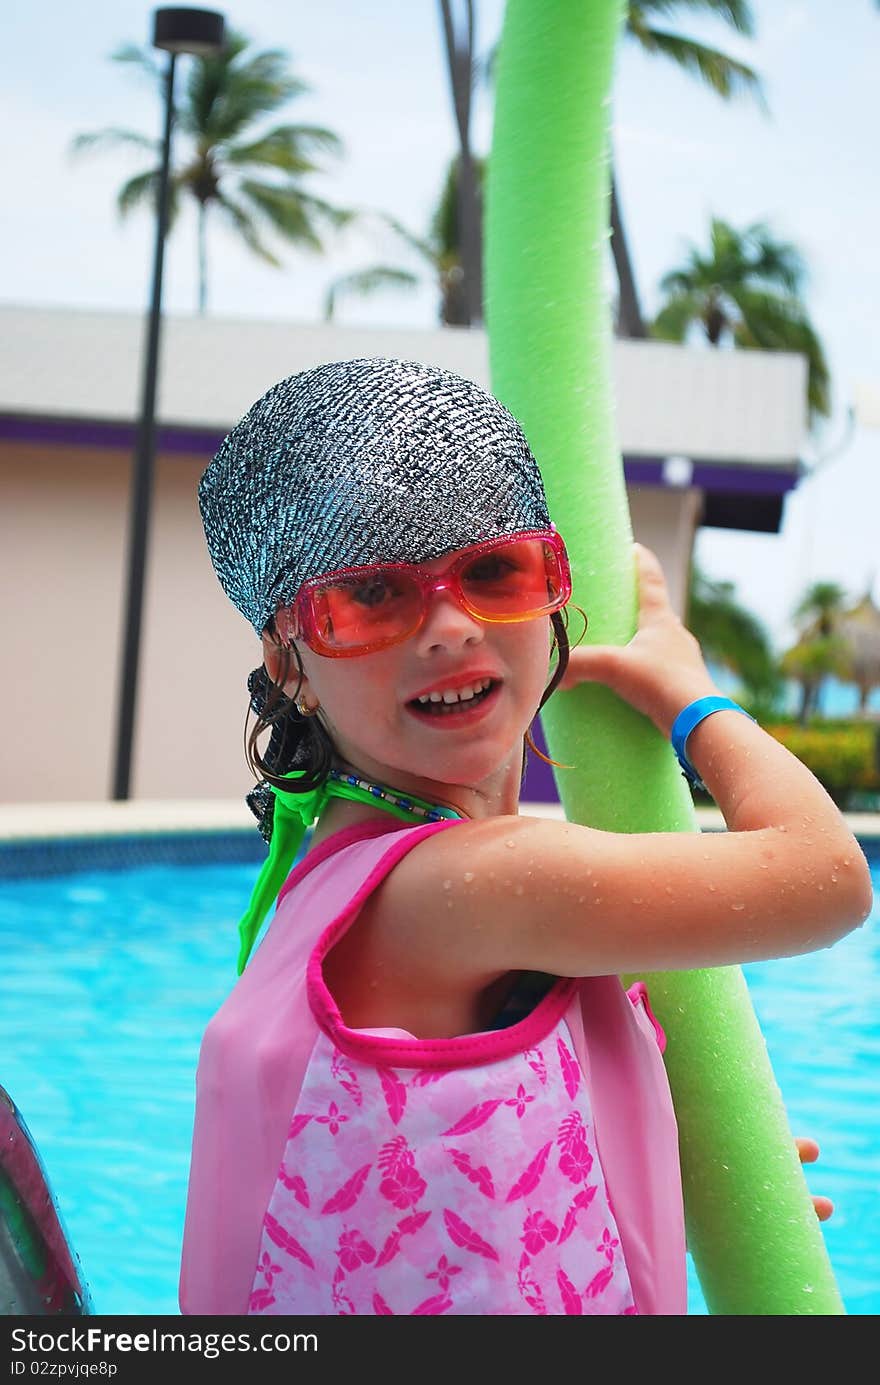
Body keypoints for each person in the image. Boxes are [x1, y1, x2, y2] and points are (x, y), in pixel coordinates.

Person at [180, 357, 871, 1317]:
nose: (450, 627)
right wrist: (685, 690)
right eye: (371, 595)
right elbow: (830, 878)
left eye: (495, 570)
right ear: (290, 663)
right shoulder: (476, 881)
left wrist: (668, 1168)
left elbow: (436, 1163)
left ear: (551, 595)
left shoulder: (327, 869)